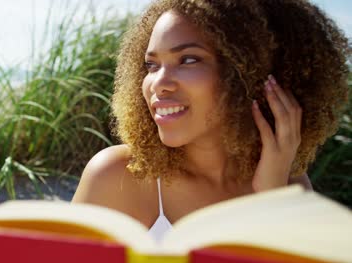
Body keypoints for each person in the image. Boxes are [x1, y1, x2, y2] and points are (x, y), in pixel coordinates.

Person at [72, 0, 350, 240]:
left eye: (188, 60)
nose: (159, 83)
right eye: (152, 65)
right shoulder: (117, 176)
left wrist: (271, 198)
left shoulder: (288, 185)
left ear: (251, 74)